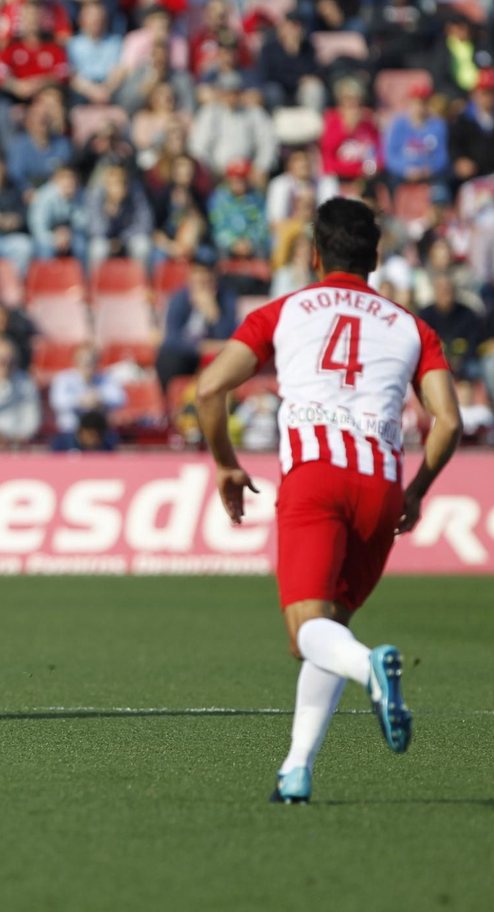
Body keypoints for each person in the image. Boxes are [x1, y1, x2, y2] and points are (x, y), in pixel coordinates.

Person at [196, 197, 459, 804]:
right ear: (376, 257)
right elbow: (448, 421)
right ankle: (296, 769)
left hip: (315, 475)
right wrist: (417, 492)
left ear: (315, 255)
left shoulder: (286, 310)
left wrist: (227, 465)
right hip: (380, 480)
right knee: (330, 627)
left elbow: (210, 389)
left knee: (306, 632)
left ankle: (371, 668)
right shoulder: (411, 327)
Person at [157, 257, 238, 392]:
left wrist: (214, 314)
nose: (203, 279)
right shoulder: (179, 298)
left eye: (208, 274)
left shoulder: (227, 299)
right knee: (167, 357)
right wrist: (200, 347)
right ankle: (170, 404)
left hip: (216, 357)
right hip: (187, 355)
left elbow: (231, 336)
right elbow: (171, 339)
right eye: (198, 273)